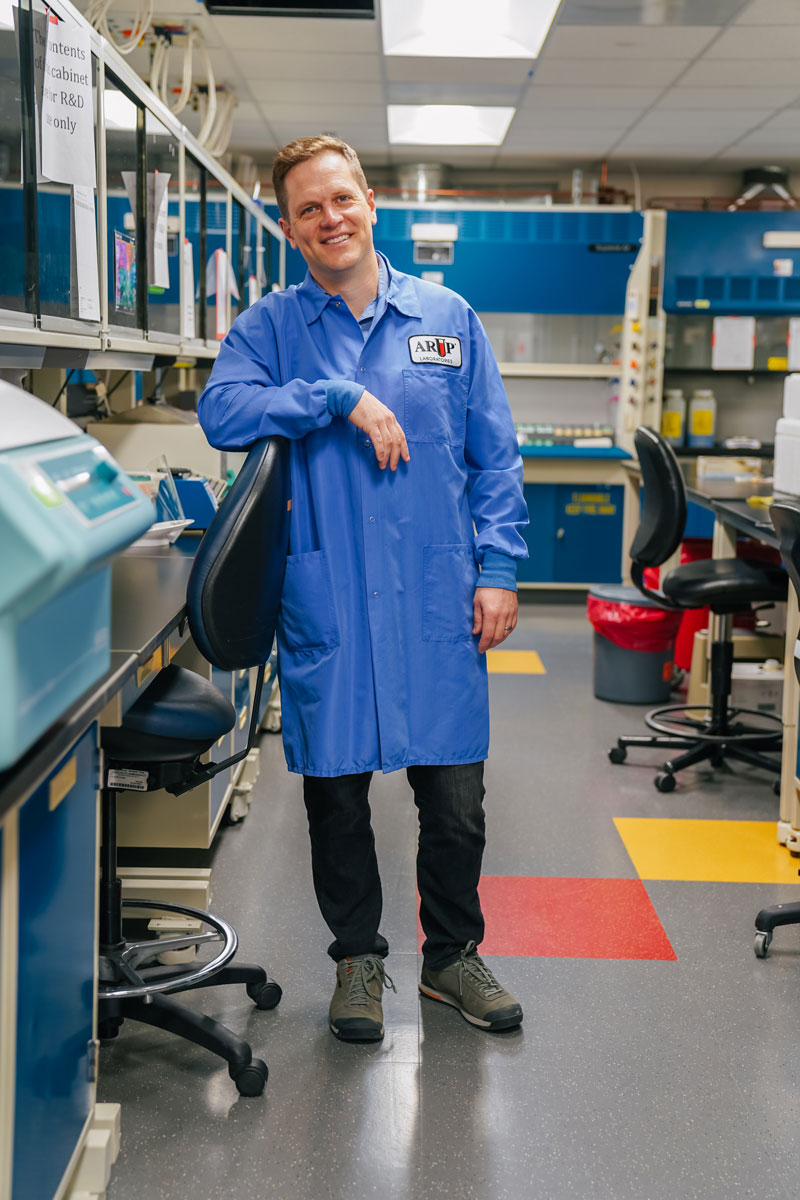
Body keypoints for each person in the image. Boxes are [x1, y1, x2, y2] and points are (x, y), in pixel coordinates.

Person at [198, 135, 529, 1042]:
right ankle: (357, 962)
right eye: (309, 209)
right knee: (335, 798)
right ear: (289, 227)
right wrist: (333, 396)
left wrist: (498, 570)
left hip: (434, 597)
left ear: (371, 201)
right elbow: (221, 409)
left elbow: (494, 458)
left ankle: (453, 958)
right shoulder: (273, 327)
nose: (330, 218)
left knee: (455, 801)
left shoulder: (447, 316)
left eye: (341, 199)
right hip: (332, 598)